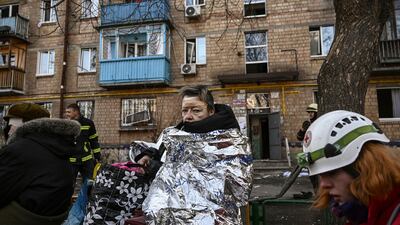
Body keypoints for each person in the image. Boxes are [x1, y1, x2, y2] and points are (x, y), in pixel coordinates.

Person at [141, 85, 253, 225]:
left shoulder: (226, 139)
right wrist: (149, 156)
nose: (188, 116)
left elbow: (235, 187)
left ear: (211, 111)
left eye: (196, 110)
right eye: (184, 110)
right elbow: (161, 149)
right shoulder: (179, 132)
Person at [297, 110, 400, 225]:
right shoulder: (362, 216)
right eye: (321, 175)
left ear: (364, 166)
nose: (323, 184)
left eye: (332, 172)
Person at [0, 103, 81, 225]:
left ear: (24, 126)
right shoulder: (58, 146)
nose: (8, 130)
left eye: (11, 125)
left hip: (25, 218)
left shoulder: (20, 149)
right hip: (53, 217)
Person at [64, 103, 101, 225]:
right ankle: (67, 212)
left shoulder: (88, 123)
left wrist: (98, 158)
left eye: (69, 112)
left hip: (87, 161)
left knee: (90, 185)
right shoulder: (67, 125)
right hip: (72, 162)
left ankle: (89, 210)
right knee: (68, 186)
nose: (66, 114)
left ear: (76, 112)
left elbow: (94, 141)